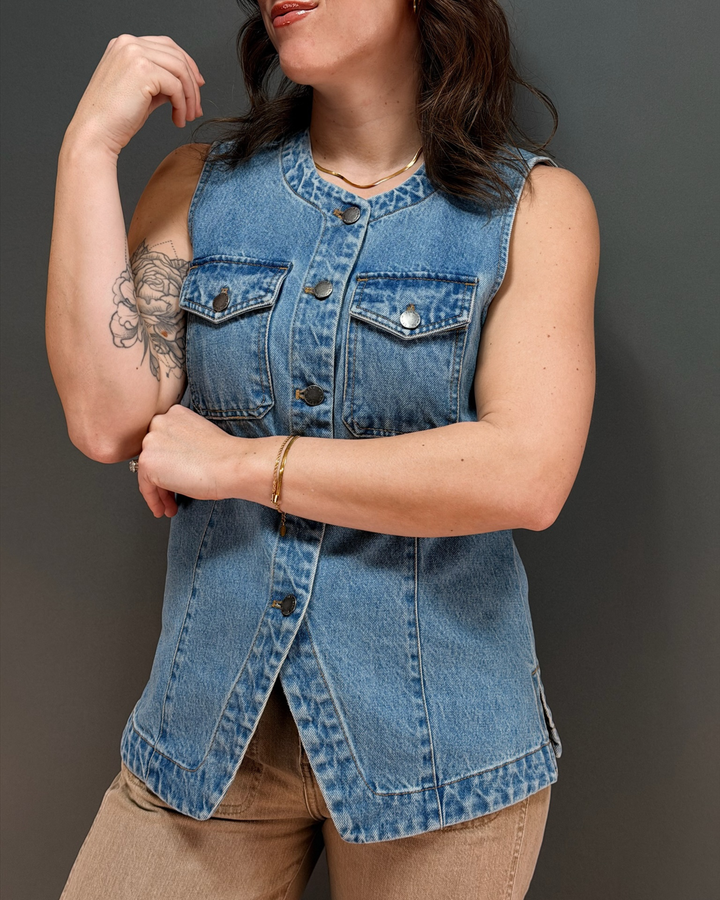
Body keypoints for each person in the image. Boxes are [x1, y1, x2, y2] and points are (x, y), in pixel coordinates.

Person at [47, 0, 598, 897]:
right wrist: (87, 149)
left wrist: (237, 466)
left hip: (442, 752)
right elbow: (106, 419)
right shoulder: (197, 186)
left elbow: (525, 474)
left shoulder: (530, 209)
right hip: (207, 735)